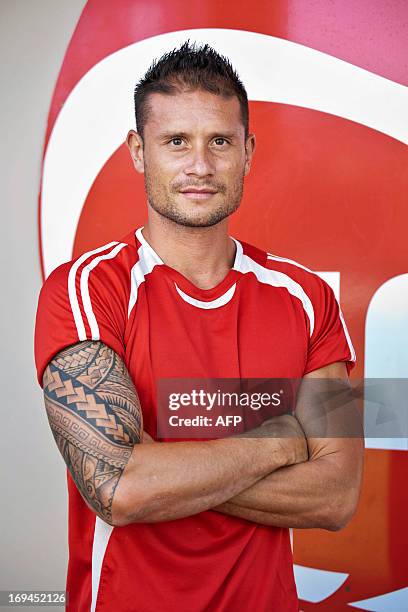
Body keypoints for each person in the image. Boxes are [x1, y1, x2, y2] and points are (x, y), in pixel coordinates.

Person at [34, 42, 364, 612]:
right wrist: (281, 438)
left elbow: (336, 496)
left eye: (219, 141)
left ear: (248, 151)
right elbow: (120, 487)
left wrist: (170, 463)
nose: (200, 166)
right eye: (175, 142)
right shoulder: (87, 289)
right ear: (139, 151)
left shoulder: (309, 298)